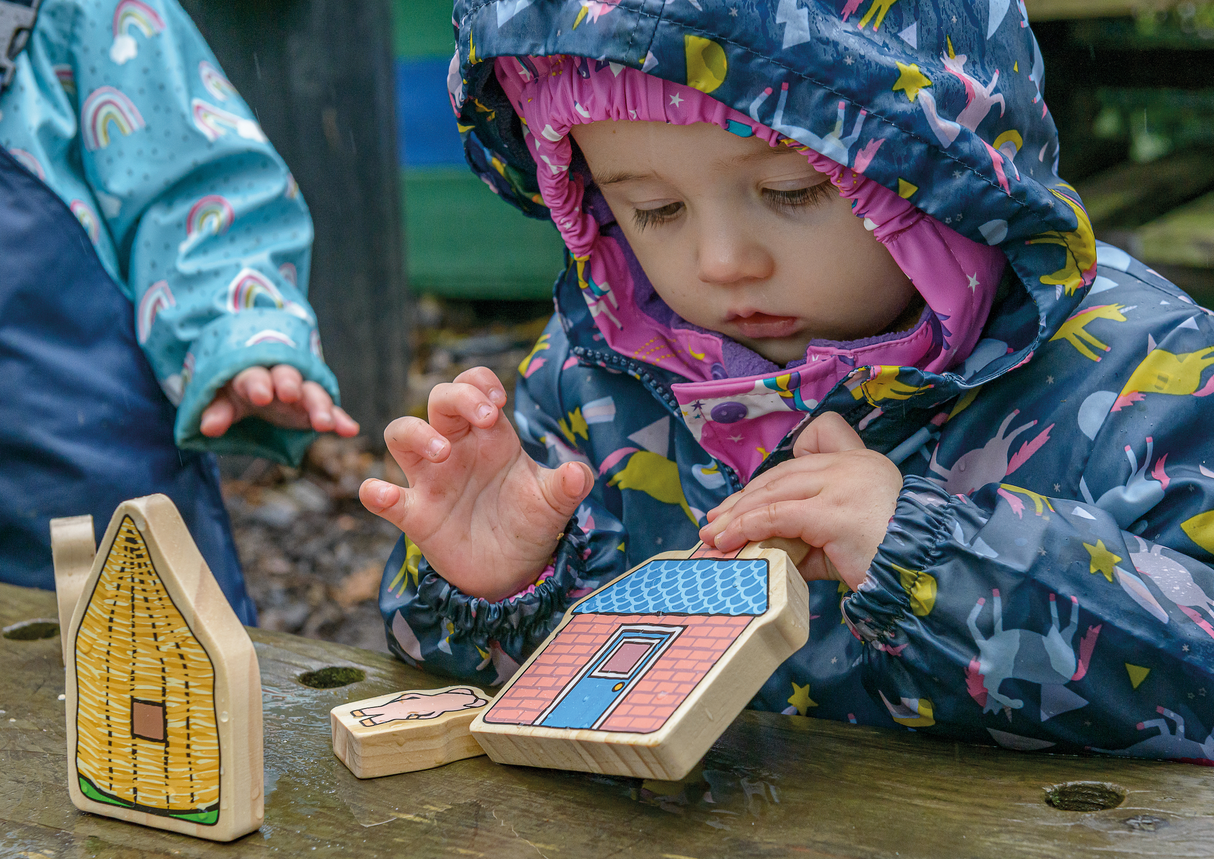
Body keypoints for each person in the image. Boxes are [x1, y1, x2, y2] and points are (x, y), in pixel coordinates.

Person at [362, 0, 1214, 760]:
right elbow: (514, 704)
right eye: (654, 209)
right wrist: (498, 586)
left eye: (793, 189)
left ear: (946, 176)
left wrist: (935, 561)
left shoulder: (1142, 369)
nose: (722, 262)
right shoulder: (598, 372)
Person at [0, 0, 357, 625]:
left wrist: (239, 333)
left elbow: (200, 196)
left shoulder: (84, 16)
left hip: (92, 512)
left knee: (164, 690)